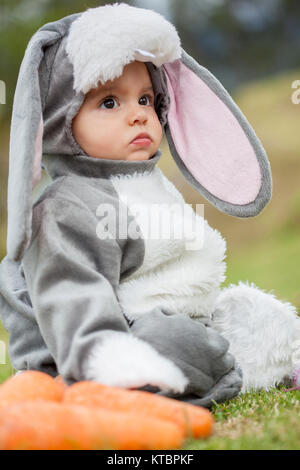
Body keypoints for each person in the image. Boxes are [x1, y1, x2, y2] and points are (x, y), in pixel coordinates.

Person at [0, 4, 298, 407]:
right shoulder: (68, 206)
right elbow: (71, 293)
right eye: (109, 102)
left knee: (256, 310)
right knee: (171, 341)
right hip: (100, 347)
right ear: (59, 121)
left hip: (183, 321)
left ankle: (268, 361)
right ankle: (187, 380)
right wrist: (105, 356)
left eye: (145, 98)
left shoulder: (145, 184)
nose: (139, 115)